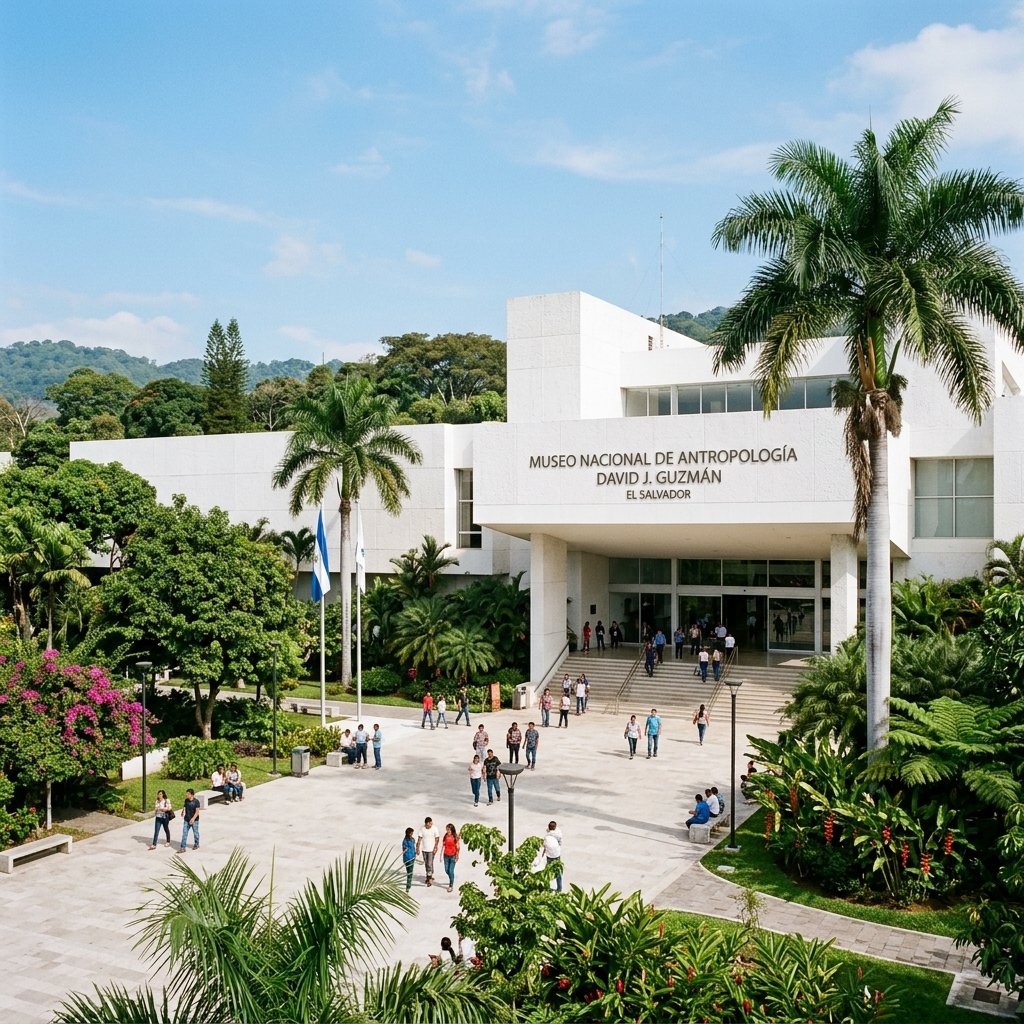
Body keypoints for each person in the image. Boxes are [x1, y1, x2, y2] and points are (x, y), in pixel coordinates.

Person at [416, 816, 440, 887]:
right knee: (427, 863)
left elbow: (437, 838)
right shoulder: (422, 829)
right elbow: (419, 838)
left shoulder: (435, 828)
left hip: (431, 850)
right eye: (430, 823)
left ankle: (429, 879)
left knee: (429, 864)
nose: (431, 824)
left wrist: (435, 847)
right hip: (424, 849)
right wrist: (417, 848)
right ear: (427, 823)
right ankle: (430, 874)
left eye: (431, 822)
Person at [543, 820, 564, 892]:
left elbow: (545, 846)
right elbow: (560, 842)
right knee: (558, 871)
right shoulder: (558, 833)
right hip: (557, 854)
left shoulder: (547, 836)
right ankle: (559, 888)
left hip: (549, 855)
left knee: (547, 871)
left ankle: (547, 886)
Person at [442, 823, 460, 892]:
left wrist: (457, 855)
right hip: (446, 855)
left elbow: (458, 847)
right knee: (446, 870)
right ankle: (451, 878)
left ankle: (451, 884)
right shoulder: (445, 836)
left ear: (452, 830)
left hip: (453, 855)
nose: (447, 831)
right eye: (447, 830)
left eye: (448, 830)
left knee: (450, 870)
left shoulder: (455, 837)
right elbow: (444, 843)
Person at [402, 827, 416, 891]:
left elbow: (413, 847)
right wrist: (405, 849)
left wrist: (415, 854)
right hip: (407, 858)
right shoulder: (405, 841)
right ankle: (408, 886)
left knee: (410, 872)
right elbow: (404, 850)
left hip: (412, 857)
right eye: (411, 833)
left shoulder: (413, 839)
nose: (412, 834)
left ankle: (408, 886)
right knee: (409, 873)